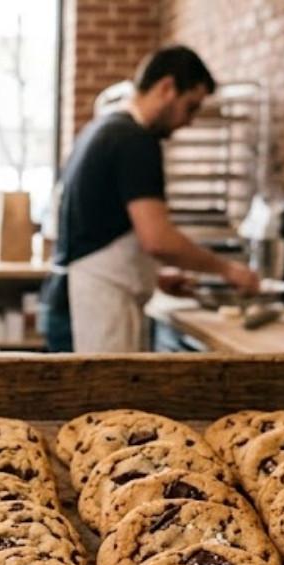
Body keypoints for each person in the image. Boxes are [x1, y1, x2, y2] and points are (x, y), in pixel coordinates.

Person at [42, 45, 262, 353]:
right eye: (191, 106)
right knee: (107, 402)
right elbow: (158, 240)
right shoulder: (135, 140)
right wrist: (228, 270)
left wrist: (153, 277)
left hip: (72, 298)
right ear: (167, 88)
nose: (190, 121)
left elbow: (97, 230)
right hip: (94, 306)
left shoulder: (102, 129)